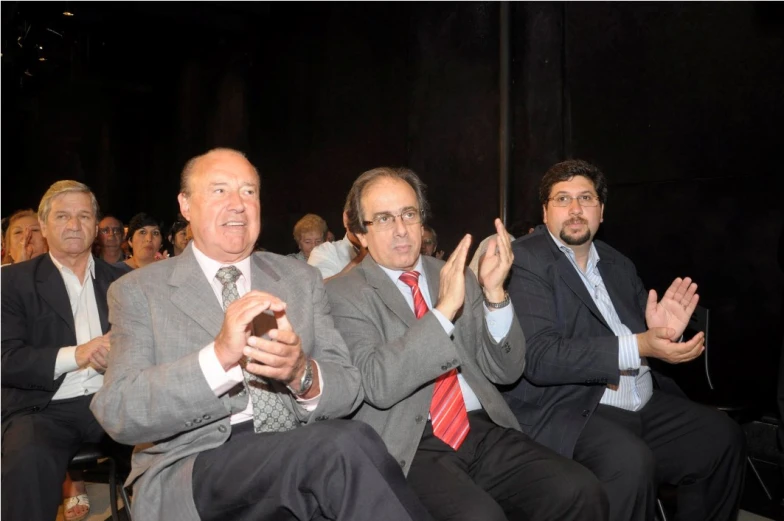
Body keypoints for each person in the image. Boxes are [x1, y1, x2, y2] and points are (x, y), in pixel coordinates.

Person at [90, 148, 433, 521]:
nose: (238, 204)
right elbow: (119, 411)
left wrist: (302, 374)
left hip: (299, 449)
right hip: (196, 462)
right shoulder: (140, 290)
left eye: (249, 191)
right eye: (220, 190)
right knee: (343, 448)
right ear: (185, 205)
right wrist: (217, 359)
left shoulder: (299, 279)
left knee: (344, 453)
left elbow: (349, 387)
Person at [325, 166, 607, 521]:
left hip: (482, 427)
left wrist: (494, 294)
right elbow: (377, 383)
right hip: (411, 444)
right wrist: (442, 313)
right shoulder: (341, 294)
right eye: (383, 219)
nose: (400, 229)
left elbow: (506, 371)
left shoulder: (453, 273)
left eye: (409, 214)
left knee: (580, 490)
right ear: (361, 234)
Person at [504, 159, 745, 521]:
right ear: (545, 212)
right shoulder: (526, 260)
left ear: (600, 211)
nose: (574, 209)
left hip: (642, 400)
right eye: (562, 199)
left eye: (585, 198)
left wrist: (665, 335)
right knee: (630, 462)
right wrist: (642, 345)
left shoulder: (618, 264)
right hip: (574, 407)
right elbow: (539, 357)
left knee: (722, 438)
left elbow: (647, 338)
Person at [2, 180, 122, 521]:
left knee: (175, 436)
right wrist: (78, 354)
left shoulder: (122, 283)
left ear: (95, 226)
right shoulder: (11, 283)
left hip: (114, 400)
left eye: (84, 216)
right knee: (28, 457)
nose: (74, 225)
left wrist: (125, 353)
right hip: (43, 409)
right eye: (63, 216)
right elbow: (5, 360)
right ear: (43, 225)